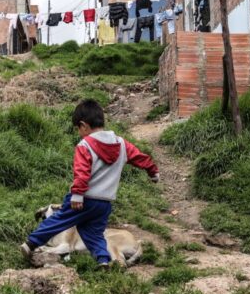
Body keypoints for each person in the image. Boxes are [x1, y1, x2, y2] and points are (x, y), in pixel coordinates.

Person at [20, 99, 160, 267]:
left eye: (78, 129)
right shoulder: (122, 144)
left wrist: (77, 194)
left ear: (83, 125)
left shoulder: (85, 145)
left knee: (59, 219)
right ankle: (103, 261)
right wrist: (153, 171)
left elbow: (82, 172)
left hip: (84, 198)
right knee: (94, 234)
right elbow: (140, 158)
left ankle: (31, 243)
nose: (79, 133)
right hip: (104, 203)